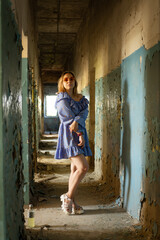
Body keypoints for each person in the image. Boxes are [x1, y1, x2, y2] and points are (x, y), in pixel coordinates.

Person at [55, 71, 92, 215]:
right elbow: (67, 118)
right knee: (83, 167)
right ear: (62, 82)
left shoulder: (81, 98)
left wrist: (78, 120)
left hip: (80, 132)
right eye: (66, 79)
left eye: (71, 78)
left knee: (74, 170)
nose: (69, 81)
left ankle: (74, 204)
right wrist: (79, 131)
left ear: (74, 81)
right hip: (69, 136)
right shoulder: (62, 98)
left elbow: (84, 113)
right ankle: (68, 197)